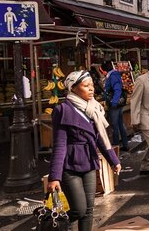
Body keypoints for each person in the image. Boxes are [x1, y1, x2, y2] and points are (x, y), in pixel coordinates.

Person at [47, 70, 121, 231]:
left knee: (88, 211)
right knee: (78, 209)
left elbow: (100, 138)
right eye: (86, 86)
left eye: (92, 85)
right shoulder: (63, 110)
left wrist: (113, 160)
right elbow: (59, 145)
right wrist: (54, 177)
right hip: (70, 166)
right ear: (73, 88)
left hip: (89, 162)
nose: (91, 89)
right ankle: (54, 226)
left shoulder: (94, 108)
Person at [102, 61, 129, 151]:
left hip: (115, 104)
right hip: (117, 103)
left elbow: (117, 89)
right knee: (120, 124)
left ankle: (116, 145)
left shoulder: (113, 75)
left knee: (115, 125)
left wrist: (114, 102)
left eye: (102, 71)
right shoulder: (114, 74)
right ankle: (125, 144)